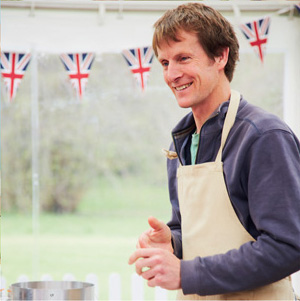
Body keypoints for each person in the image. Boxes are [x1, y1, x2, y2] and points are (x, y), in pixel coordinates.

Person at [128, 3, 300, 300]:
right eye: (165, 63)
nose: (172, 74)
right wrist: (172, 242)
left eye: (183, 58)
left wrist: (186, 274)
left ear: (220, 56)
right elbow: (190, 229)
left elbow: (288, 246)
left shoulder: (263, 137)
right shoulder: (180, 143)